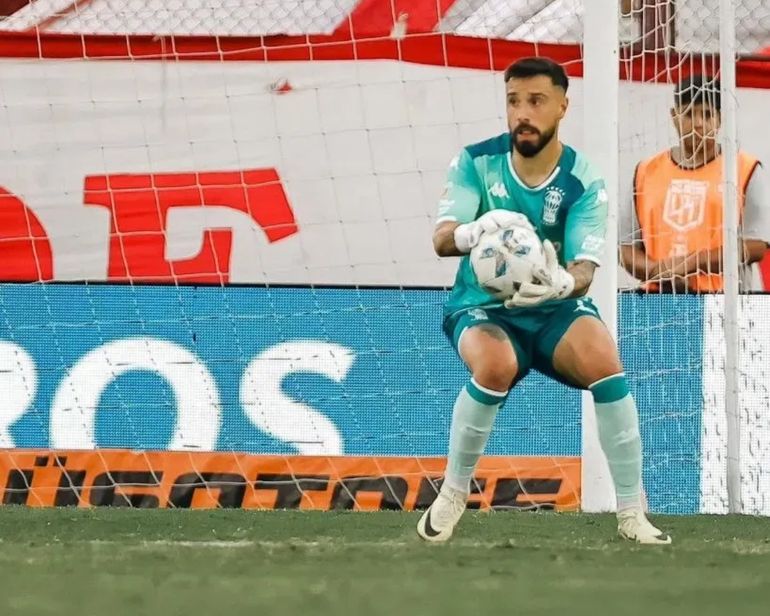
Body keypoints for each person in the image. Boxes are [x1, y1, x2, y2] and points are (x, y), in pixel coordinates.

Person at [419, 56, 670, 545]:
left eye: (536, 101)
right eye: (513, 101)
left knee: (606, 362)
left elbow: (584, 269)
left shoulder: (583, 180)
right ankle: (452, 493)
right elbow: (442, 239)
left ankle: (631, 512)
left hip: (552, 304)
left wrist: (561, 285)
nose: (522, 114)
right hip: (482, 306)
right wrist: (474, 231)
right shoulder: (476, 161)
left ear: (562, 106)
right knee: (493, 365)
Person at [620, 74, 770, 292]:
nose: (698, 123)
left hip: (725, 303)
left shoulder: (745, 169)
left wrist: (693, 263)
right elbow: (626, 248)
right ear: (674, 116)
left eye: (707, 115)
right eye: (689, 114)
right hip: (657, 300)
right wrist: (658, 271)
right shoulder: (645, 171)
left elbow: (756, 245)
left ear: (719, 119)